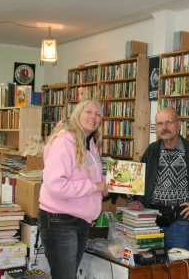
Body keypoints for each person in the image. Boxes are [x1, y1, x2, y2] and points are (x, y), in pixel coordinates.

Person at [38, 98, 109, 279]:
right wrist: (94, 187)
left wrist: (105, 185)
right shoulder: (64, 141)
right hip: (60, 220)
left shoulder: (90, 143)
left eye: (98, 114)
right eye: (89, 111)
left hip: (82, 221)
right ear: (78, 113)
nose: (94, 116)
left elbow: (89, 175)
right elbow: (55, 184)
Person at [127, 107, 189, 257]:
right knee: (152, 269)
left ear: (179, 124)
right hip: (151, 221)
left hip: (182, 222)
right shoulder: (152, 150)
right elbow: (139, 179)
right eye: (160, 124)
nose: (164, 127)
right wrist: (136, 199)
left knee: (180, 268)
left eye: (169, 122)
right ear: (156, 127)